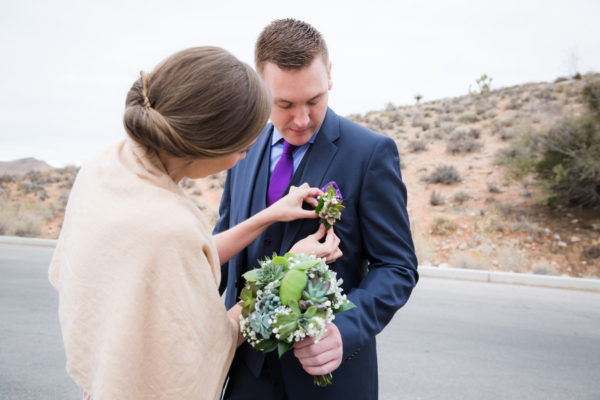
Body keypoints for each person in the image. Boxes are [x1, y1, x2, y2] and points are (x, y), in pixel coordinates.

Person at [48, 46, 337, 400]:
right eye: (242, 146)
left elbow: (188, 255)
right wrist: (292, 267)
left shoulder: (105, 166)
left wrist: (270, 213)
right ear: (210, 142)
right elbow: (210, 342)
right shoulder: (171, 227)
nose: (247, 153)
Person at [214, 19, 419, 399]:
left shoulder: (370, 153)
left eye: (314, 100)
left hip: (330, 380)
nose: (302, 120)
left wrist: (345, 328)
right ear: (260, 89)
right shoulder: (241, 147)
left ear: (330, 78)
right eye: (285, 104)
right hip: (245, 372)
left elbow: (397, 267)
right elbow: (224, 247)